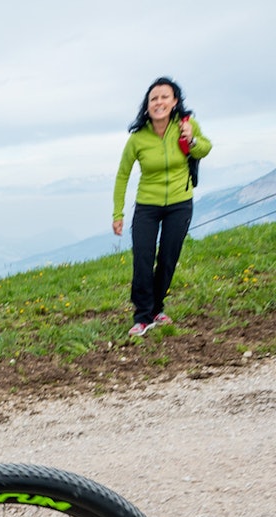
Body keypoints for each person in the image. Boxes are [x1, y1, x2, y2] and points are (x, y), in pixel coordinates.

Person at [112, 77, 211, 338]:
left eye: (164, 97)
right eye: (154, 98)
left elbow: (205, 149)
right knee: (142, 261)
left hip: (180, 203)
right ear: (147, 106)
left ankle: (157, 309)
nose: (159, 102)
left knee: (167, 259)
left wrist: (192, 141)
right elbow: (122, 175)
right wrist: (118, 213)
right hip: (147, 205)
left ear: (175, 101)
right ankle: (142, 317)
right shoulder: (138, 138)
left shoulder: (186, 126)